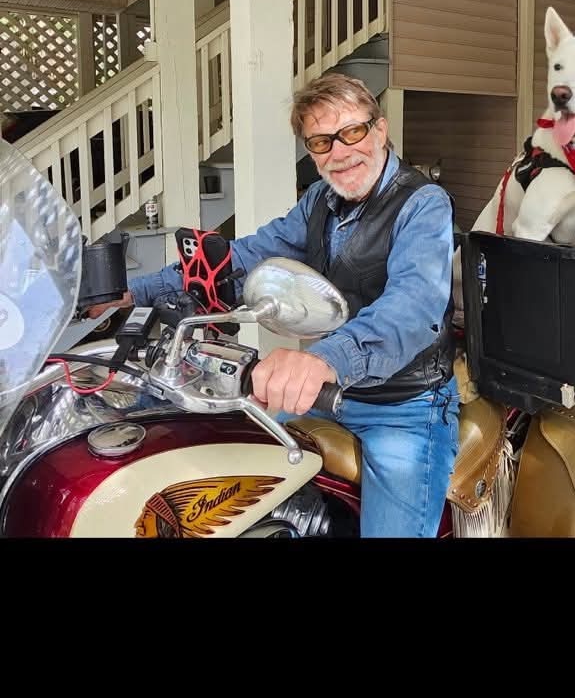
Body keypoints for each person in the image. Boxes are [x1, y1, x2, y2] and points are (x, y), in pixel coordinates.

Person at [121, 73, 459, 538]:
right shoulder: (321, 199)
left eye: (352, 132)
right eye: (321, 142)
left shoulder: (423, 204)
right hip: (326, 393)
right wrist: (133, 293)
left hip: (403, 406)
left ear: (380, 130)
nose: (339, 152)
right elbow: (244, 258)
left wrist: (320, 360)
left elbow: (414, 307)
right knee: (229, 466)